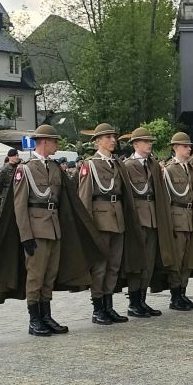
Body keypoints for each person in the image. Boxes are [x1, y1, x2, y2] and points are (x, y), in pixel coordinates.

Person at [77, 123, 138, 325]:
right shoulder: (90, 165)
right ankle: (98, 308)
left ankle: (108, 305)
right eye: (108, 137)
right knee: (100, 267)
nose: (113, 140)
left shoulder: (117, 164)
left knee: (114, 265)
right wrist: (88, 227)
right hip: (100, 221)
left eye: (113, 136)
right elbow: (85, 198)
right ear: (97, 141)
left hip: (117, 219)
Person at [11, 124, 70, 336]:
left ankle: (46, 315)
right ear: (44, 142)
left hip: (54, 228)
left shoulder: (54, 168)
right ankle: (34, 319)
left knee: (49, 275)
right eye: (54, 141)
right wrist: (26, 236)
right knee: (35, 276)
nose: (57, 145)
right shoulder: (24, 169)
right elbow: (19, 205)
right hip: (36, 229)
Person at [122, 127, 176, 317]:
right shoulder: (127, 166)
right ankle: (134, 302)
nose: (149, 144)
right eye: (145, 141)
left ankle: (142, 300)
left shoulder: (153, 164)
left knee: (149, 262)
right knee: (137, 262)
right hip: (138, 218)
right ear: (135, 144)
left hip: (153, 217)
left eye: (150, 141)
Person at [162, 132, 193, 310]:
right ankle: (175, 296)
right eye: (185, 146)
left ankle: (182, 293)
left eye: (189, 146)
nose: (189, 148)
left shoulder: (189, 169)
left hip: (189, 218)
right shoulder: (168, 170)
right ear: (175, 148)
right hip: (176, 219)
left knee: (186, 260)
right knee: (177, 259)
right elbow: (166, 199)